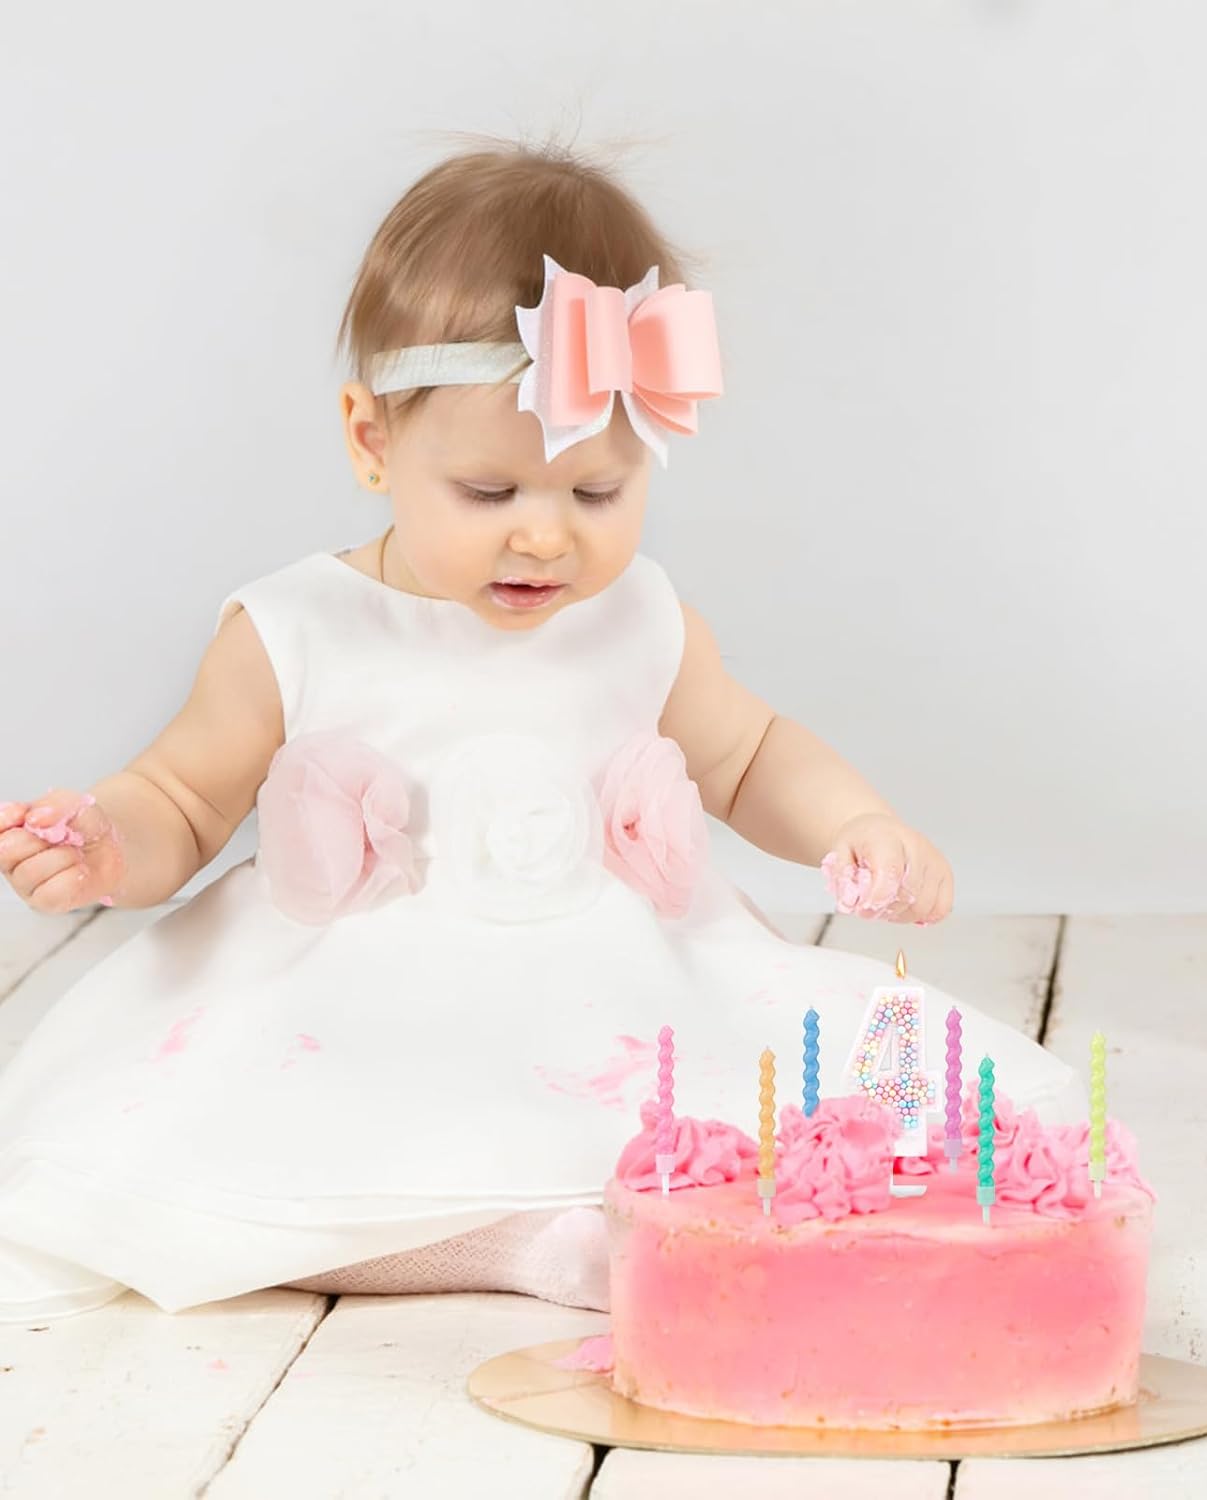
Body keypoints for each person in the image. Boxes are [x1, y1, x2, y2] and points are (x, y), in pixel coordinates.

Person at [0, 140, 1079, 1321]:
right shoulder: (298, 627)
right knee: (281, 1152)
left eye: (597, 491)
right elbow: (182, 795)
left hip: (601, 986)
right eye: (490, 492)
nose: (547, 536)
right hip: (366, 1002)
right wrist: (110, 842)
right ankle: (501, 1244)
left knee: (749, 1119)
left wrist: (855, 822)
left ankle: (591, 1221)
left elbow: (750, 756)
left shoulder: (639, 620)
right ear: (371, 440)